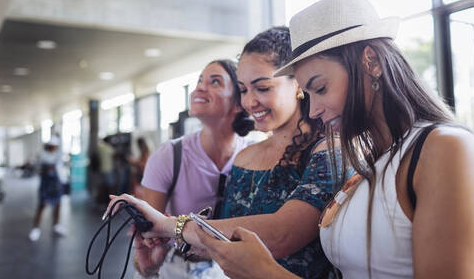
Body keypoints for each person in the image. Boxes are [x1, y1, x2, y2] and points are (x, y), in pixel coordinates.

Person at [192, 0, 474, 279]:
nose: (315, 109)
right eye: (308, 94)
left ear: (370, 62)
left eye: (320, 88)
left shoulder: (445, 149)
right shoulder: (374, 161)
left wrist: (266, 272)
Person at [108, 27, 343, 279]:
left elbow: (281, 234)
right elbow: (224, 242)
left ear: (296, 82)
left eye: (262, 88)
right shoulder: (245, 158)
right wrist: (158, 257)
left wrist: (167, 226)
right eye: (243, 90)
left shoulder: (328, 149)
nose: (250, 102)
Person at [135, 59, 252, 278]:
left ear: (239, 102)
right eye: (200, 80)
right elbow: (147, 241)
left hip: (231, 270)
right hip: (174, 268)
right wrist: (149, 266)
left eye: (215, 81)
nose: (200, 87)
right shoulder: (169, 155)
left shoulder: (254, 157)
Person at [29, 135, 68, 242]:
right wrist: (46, 169)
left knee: (57, 205)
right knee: (42, 205)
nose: (55, 148)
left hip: (56, 184)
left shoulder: (57, 155)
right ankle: (35, 229)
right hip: (46, 185)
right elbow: (38, 169)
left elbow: (60, 170)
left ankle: (56, 225)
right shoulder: (42, 155)